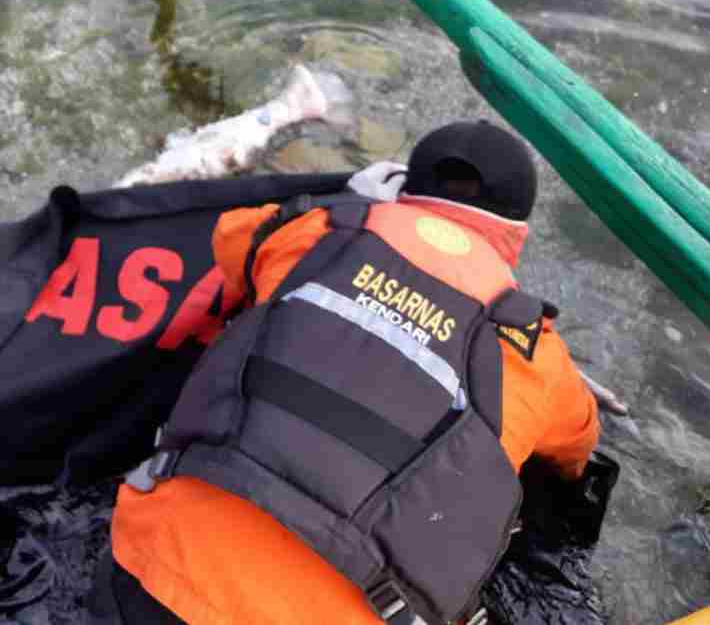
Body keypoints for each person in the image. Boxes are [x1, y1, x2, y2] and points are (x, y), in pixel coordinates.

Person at [94, 120, 611, 625]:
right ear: (517, 234)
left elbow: (231, 243)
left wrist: (344, 200)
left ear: (405, 188)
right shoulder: (535, 349)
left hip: (151, 571)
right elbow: (577, 451)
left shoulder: (318, 229)